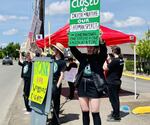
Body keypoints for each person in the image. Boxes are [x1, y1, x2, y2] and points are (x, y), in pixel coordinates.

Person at [70, 40, 107, 125]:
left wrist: (101, 41)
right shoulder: (83, 57)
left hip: (94, 86)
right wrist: (71, 38)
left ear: (95, 48)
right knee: (85, 112)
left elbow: (104, 52)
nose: (89, 48)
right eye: (88, 47)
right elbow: (73, 50)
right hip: (82, 86)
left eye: (91, 47)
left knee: (95, 113)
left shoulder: (99, 58)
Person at [103, 46, 124, 121]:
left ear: (113, 52)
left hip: (112, 82)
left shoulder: (115, 61)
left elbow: (105, 68)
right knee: (115, 99)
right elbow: (114, 67)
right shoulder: (121, 60)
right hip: (116, 81)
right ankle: (115, 113)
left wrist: (105, 60)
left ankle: (116, 116)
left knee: (113, 100)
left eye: (112, 50)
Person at [50, 43, 66, 125]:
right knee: (48, 102)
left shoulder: (62, 62)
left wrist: (57, 86)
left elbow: (62, 75)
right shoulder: (51, 58)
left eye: (55, 49)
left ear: (59, 51)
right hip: (48, 82)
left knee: (56, 103)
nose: (53, 50)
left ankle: (55, 121)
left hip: (56, 83)